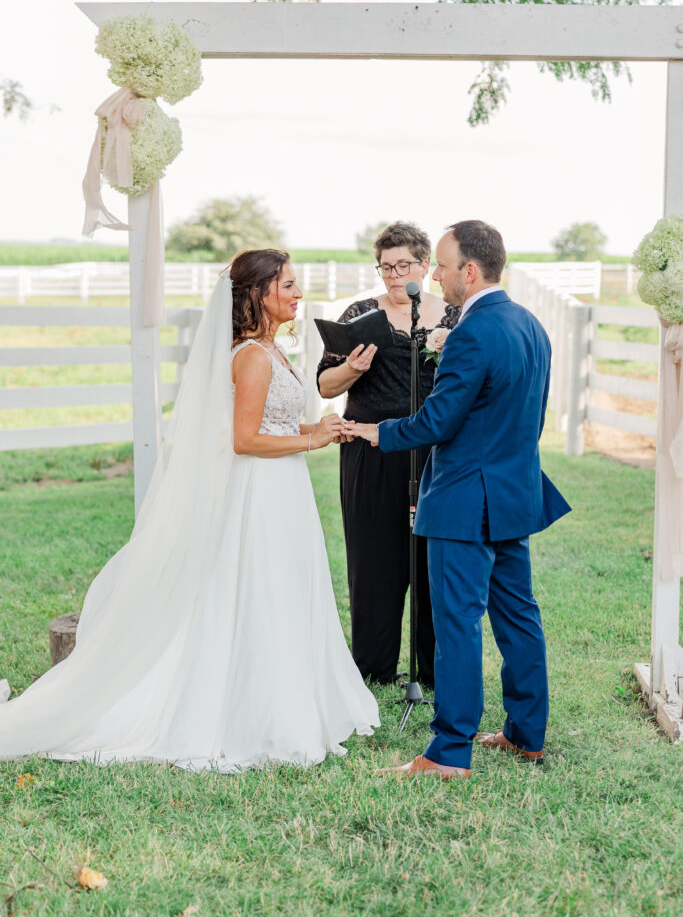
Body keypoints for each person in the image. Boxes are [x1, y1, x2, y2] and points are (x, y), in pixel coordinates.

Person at [0, 249, 379, 772]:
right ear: (259, 293)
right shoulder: (250, 356)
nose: (297, 294)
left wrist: (315, 430)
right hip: (258, 493)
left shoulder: (274, 351)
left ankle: (289, 695)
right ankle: (251, 710)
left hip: (281, 490)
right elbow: (244, 440)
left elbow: (272, 426)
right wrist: (312, 439)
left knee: (281, 590)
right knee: (257, 590)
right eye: (287, 285)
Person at [346, 221, 570, 779]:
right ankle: (526, 734)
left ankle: (448, 752)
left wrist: (375, 432)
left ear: (469, 272)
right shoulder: (530, 325)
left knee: (457, 624)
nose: (437, 277)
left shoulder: (471, 331)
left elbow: (438, 421)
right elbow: (532, 415)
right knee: (519, 617)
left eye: (442, 267)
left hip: (465, 498)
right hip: (513, 493)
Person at [317, 222, 459, 689]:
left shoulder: (454, 316)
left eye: (403, 266)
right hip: (369, 449)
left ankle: (433, 669)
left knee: (430, 559)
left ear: (424, 266)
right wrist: (353, 369)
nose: (393, 276)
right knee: (373, 559)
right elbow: (325, 385)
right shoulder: (359, 314)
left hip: (433, 451)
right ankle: (373, 667)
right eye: (385, 267)